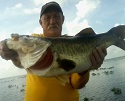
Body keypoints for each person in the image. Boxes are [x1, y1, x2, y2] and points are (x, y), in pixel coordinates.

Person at [0, 1, 107, 101]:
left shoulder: (75, 43)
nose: (52, 21)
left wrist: (84, 69)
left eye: (56, 16)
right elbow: (20, 60)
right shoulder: (34, 40)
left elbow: (77, 85)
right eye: (47, 18)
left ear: (63, 19)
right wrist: (6, 49)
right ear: (40, 22)